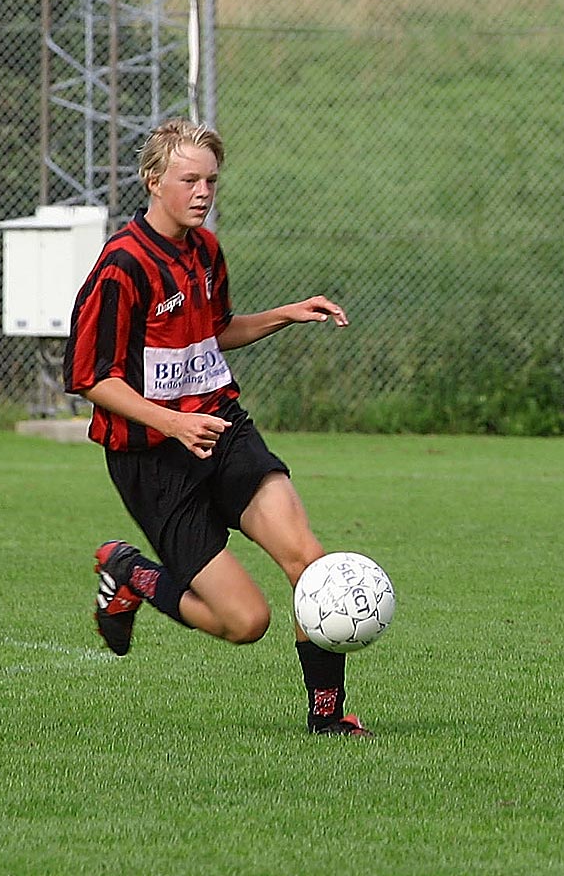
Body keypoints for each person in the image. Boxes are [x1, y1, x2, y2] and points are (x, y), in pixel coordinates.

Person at [63, 118, 372, 737]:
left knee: (312, 564)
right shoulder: (123, 266)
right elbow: (91, 377)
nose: (203, 192)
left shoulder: (205, 250)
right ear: (154, 181)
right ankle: (132, 573)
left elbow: (214, 328)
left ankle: (328, 715)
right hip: (154, 459)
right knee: (245, 622)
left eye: (211, 180)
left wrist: (287, 313)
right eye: (189, 180)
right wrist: (171, 423)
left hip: (222, 429)